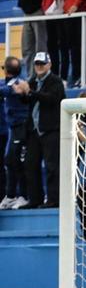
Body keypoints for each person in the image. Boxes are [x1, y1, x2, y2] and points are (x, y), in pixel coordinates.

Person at [12, 52, 64, 209]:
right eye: (37, 64)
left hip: (51, 129)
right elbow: (28, 100)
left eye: (42, 63)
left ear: (49, 64)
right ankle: (35, 199)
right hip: (34, 130)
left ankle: (54, 199)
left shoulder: (56, 81)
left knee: (52, 166)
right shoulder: (33, 81)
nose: (39, 67)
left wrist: (30, 92)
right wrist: (22, 93)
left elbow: (51, 99)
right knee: (30, 164)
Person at [0, 57, 30, 210]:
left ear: (6, 70)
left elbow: (6, 90)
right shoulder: (14, 82)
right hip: (14, 128)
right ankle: (11, 195)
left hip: (21, 127)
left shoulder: (17, 82)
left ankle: (23, 195)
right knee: (10, 159)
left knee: (17, 160)